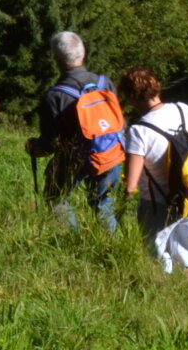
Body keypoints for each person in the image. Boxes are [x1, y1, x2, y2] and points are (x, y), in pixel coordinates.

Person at [27, 31, 121, 231]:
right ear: (83, 52)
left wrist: (34, 147)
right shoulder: (105, 83)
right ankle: (111, 249)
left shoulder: (54, 96)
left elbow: (49, 145)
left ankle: (73, 241)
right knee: (104, 205)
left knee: (55, 198)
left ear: (56, 59)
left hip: (74, 158)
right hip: (109, 153)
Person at [118, 66, 188, 240]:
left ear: (132, 98)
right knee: (186, 253)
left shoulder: (138, 131)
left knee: (157, 255)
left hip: (157, 204)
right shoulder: (182, 109)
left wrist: (119, 205)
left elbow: (130, 184)